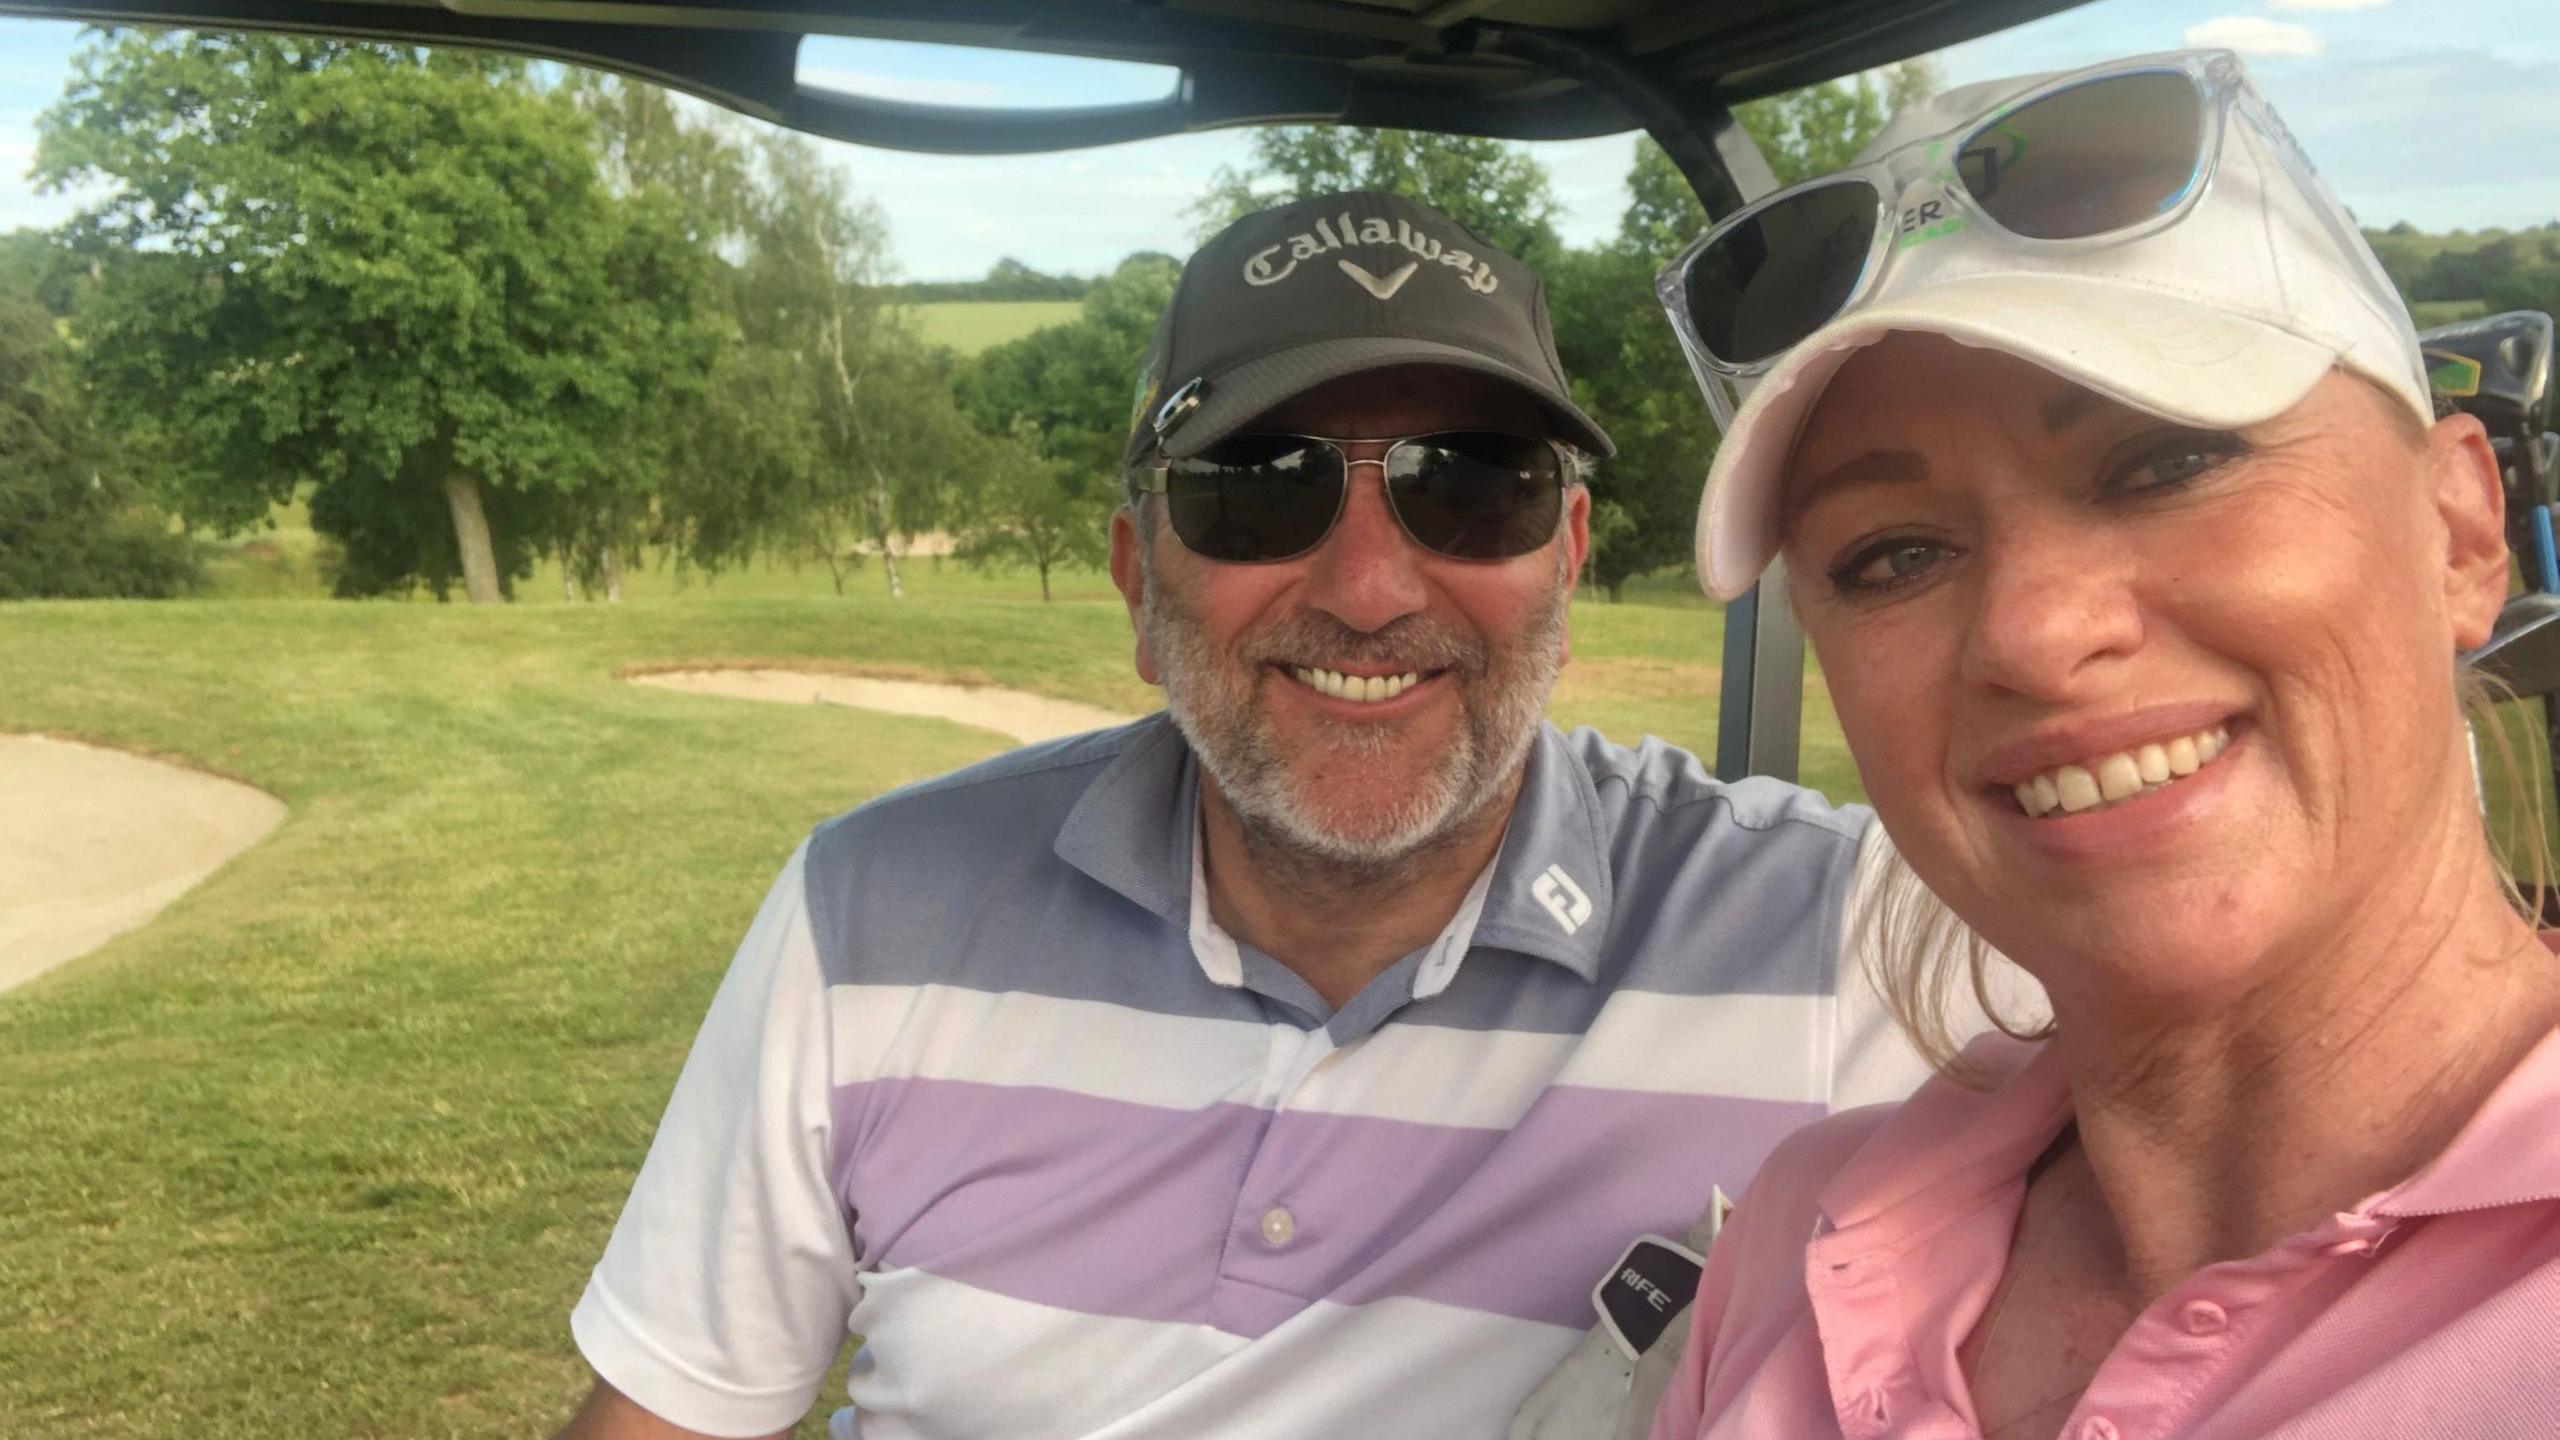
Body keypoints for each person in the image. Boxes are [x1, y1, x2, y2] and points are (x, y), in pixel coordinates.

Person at [552, 191, 1972, 1440]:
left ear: (1569, 557)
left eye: (1473, 489)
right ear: (1136, 582)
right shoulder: (871, 912)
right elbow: (671, 1409)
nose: (1368, 587)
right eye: (1255, 489)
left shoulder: (1845, 935)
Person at [1645, 50, 2560, 1439]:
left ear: (2460, 531)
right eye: (1892, 556)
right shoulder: (1799, 1240)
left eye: (2167, 463)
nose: (2032, 632)